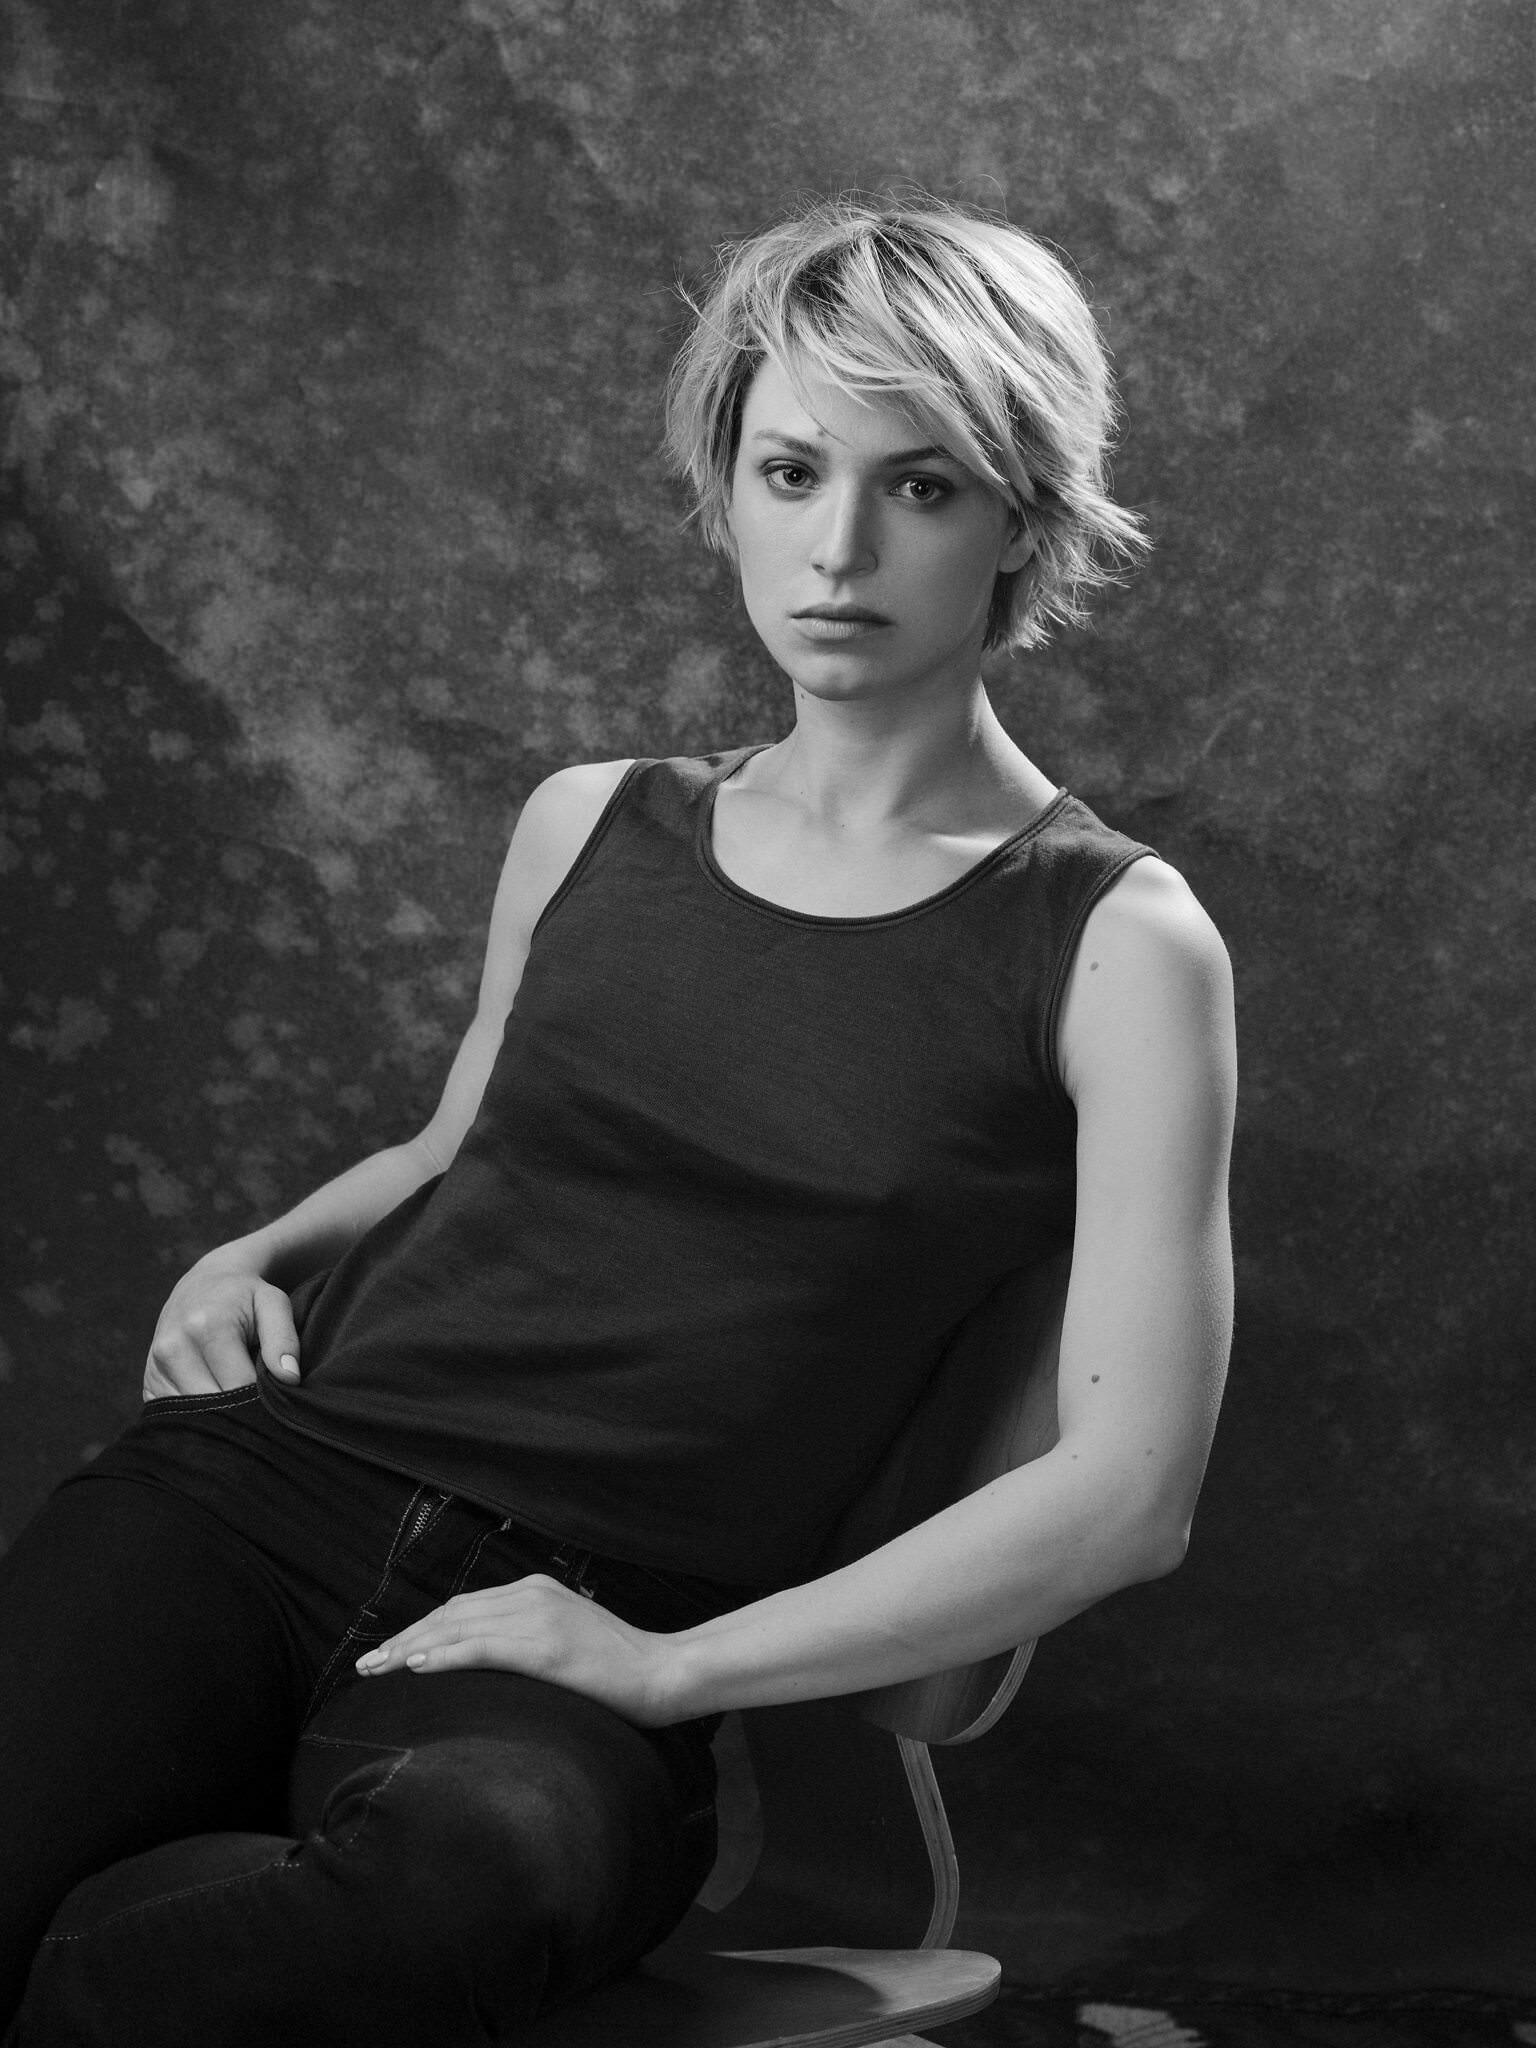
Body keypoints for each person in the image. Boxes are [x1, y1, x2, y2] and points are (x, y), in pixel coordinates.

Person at [0, 194, 1236, 2045]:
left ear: (1022, 517)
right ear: (727, 488)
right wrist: (251, 1252)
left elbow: (1128, 1494)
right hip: (249, 1500)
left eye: (919, 486)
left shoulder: (1118, 939)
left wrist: (668, 1669)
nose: (838, 548)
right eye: (792, 471)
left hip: (598, 1616)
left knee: (476, 1878)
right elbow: (455, 1154)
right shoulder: (592, 820)